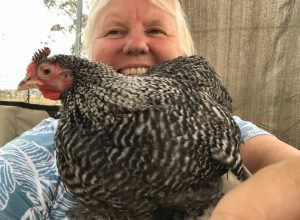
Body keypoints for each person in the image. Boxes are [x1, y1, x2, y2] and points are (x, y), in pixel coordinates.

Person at [0, 0, 299, 219]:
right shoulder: (27, 160)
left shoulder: (209, 120)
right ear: (89, 55)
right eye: (115, 31)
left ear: (182, 51)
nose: (136, 44)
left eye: (156, 29)